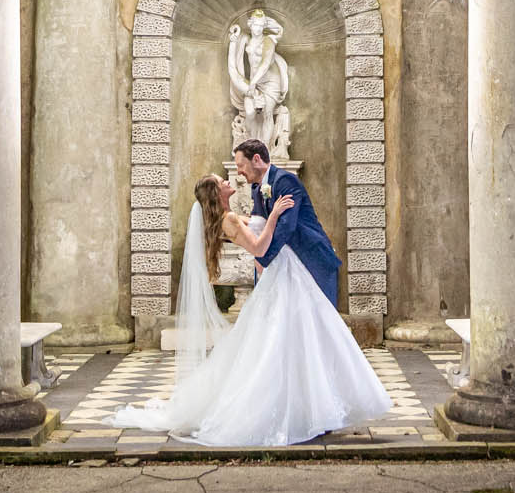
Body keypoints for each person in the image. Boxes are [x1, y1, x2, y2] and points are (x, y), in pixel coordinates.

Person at [112, 171, 390, 446]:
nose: (226, 181)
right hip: (280, 274)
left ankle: (304, 408)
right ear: (216, 193)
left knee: (281, 342)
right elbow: (258, 248)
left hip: (284, 274)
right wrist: (273, 217)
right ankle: (298, 410)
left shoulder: (230, 216)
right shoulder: (229, 219)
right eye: (220, 182)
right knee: (278, 343)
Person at [234, 138, 341, 306]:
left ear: (256, 159)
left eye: (241, 165)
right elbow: (259, 223)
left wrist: (264, 258)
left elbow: (287, 226)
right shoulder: (257, 188)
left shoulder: (285, 181)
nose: (239, 171)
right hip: (287, 263)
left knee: (320, 320)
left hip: (312, 257)